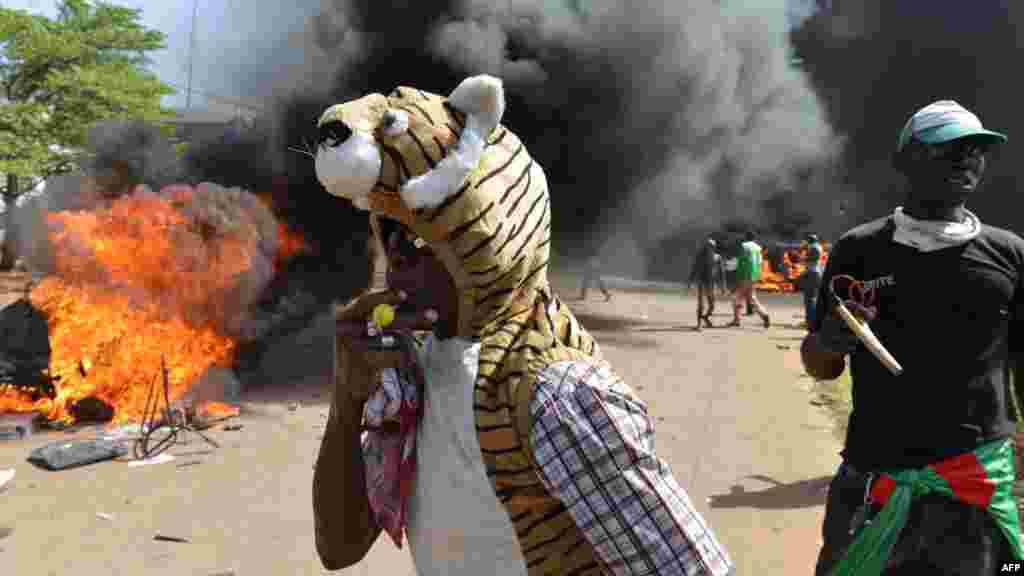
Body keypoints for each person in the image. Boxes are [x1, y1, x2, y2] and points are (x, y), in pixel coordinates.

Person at [312, 75, 734, 576]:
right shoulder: (412, 372)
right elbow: (340, 548)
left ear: (489, 239)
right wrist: (348, 395)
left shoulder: (553, 394)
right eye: (391, 235)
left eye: (422, 238)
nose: (397, 261)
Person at [802, 100, 1023, 574]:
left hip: (974, 483)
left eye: (976, 149)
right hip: (875, 478)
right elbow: (819, 364)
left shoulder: (1009, 255)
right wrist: (832, 341)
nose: (967, 158)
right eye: (949, 148)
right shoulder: (858, 251)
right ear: (907, 161)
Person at [728, 231, 770, 328]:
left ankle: (736, 320)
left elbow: (741, 261)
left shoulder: (744, 246)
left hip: (745, 275)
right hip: (754, 276)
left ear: (745, 237)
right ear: (754, 239)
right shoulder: (758, 248)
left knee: (736, 297)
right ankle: (764, 314)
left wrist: (736, 274)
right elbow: (759, 263)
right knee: (752, 298)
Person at [689, 236, 720, 330]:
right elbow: (694, 268)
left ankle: (705, 317)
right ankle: (699, 324)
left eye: (710, 246)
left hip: (712, 283)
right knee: (701, 304)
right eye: (707, 246)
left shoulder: (717, 257)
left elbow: (721, 271)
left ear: (714, 247)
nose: (708, 247)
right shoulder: (700, 256)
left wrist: (723, 286)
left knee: (712, 306)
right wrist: (690, 281)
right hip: (702, 282)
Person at [798, 233, 825, 329]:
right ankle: (810, 321)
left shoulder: (813, 248)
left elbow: (809, 259)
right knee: (811, 299)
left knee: (809, 299)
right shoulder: (817, 246)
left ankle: (811, 322)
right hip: (815, 273)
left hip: (812, 274)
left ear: (808, 241)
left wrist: (801, 257)